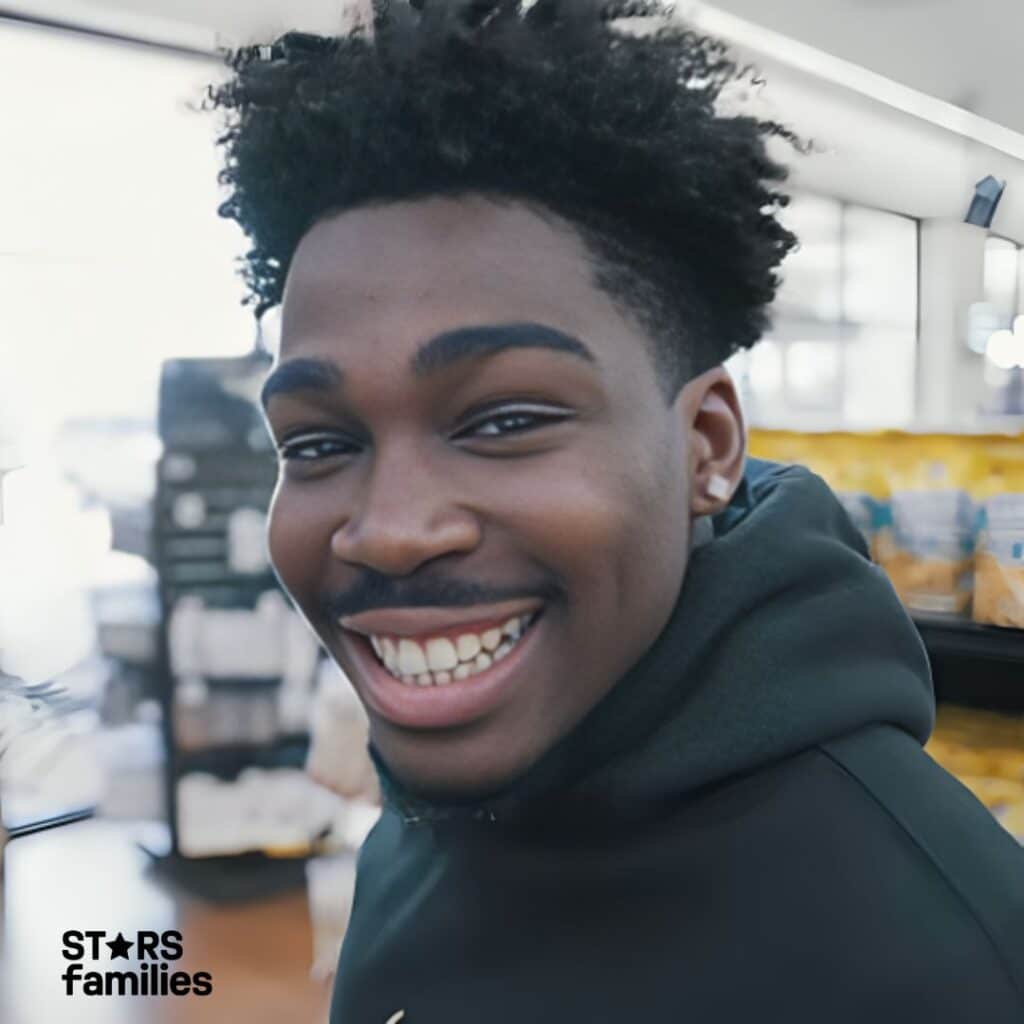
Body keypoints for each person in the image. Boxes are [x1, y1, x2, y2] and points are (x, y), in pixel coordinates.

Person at [207, 2, 1024, 1019]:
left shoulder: (944, 960)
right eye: (319, 443)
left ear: (708, 448)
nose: (389, 530)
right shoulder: (435, 823)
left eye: (503, 420)